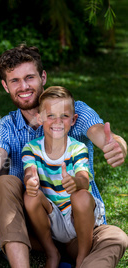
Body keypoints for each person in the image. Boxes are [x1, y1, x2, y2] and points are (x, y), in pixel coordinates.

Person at [0, 44, 128, 267]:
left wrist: (116, 146)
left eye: (30, 77)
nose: (24, 86)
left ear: (43, 77)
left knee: (116, 237)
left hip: (81, 230)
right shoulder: (6, 126)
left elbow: (102, 134)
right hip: (35, 231)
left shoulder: (74, 111)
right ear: (5, 86)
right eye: (15, 81)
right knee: (5, 182)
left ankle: (83, 261)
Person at [22, 86, 105, 268]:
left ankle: (82, 257)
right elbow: (30, 171)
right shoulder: (31, 148)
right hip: (53, 217)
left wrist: (75, 182)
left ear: (73, 119)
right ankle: (52, 252)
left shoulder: (77, 148)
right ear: (39, 118)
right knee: (30, 197)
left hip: (77, 217)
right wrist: (31, 181)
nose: (57, 121)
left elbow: (84, 177)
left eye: (64, 116)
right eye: (50, 115)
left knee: (81, 195)